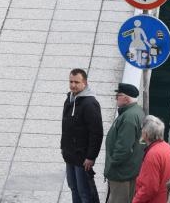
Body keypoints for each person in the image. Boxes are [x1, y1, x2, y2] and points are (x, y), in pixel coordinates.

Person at [61, 68, 104, 203]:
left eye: (76, 82)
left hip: (82, 158)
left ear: (84, 83)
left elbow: (96, 133)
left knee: (85, 192)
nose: (73, 85)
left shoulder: (90, 104)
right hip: (70, 155)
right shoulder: (69, 99)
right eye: (71, 81)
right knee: (74, 187)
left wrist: (91, 156)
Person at [104, 83, 145, 203]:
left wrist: (112, 165)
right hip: (128, 170)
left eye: (118, 95)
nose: (116, 97)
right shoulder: (134, 112)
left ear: (126, 99)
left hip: (121, 173)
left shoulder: (129, 117)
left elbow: (124, 148)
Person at [131, 115, 170, 203]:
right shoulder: (169, 148)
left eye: (142, 129)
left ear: (146, 134)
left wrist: (135, 201)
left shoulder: (153, 154)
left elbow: (149, 188)